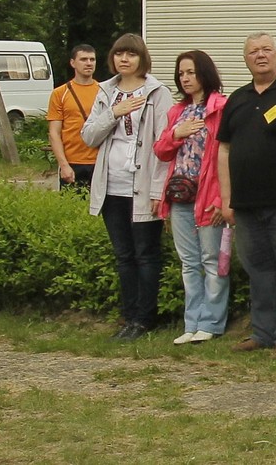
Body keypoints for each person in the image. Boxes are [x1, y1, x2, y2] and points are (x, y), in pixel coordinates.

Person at [217, 32, 276, 359]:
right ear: (246, 60)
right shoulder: (237, 99)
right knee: (258, 270)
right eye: (253, 51)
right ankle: (262, 332)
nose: (260, 55)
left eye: (266, 49)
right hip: (245, 202)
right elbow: (223, 149)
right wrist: (226, 197)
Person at [82, 33, 174, 340]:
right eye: (119, 54)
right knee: (123, 255)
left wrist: (157, 191)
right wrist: (114, 113)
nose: (125, 59)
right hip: (111, 187)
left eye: (131, 54)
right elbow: (89, 136)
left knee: (146, 254)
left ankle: (145, 318)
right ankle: (129, 316)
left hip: (143, 185)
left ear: (142, 58)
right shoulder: (106, 91)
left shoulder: (157, 92)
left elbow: (164, 145)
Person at [154, 51, 229, 344]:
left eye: (191, 72)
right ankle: (191, 322)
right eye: (181, 73)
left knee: (212, 260)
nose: (185, 78)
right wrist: (177, 133)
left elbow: (228, 154)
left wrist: (224, 198)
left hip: (209, 195)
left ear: (205, 74)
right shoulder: (177, 111)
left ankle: (211, 322)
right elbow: (160, 150)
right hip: (179, 196)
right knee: (189, 261)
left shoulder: (221, 106)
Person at [48, 43, 100, 191]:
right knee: (71, 209)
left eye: (92, 59)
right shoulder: (60, 93)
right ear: (73, 63)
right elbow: (54, 133)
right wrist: (64, 165)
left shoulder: (105, 92)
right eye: (83, 59)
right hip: (72, 162)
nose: (89, 63)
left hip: (100, 162)